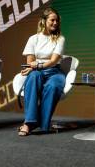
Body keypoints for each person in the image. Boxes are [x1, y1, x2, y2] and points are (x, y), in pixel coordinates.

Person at [18, 7, 66, 136]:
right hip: (37, 72)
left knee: (54, 85)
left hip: (54, 72)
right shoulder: (33, 39)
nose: (55, 23)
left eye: (57, 21)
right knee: (33, 77)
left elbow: (54, 61)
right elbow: (30, 61)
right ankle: (29, 123)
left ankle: (43, 124)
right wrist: (35, 66)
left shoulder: (60, 39)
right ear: (44, 21)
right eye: (52, 20)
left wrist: (38, 64)